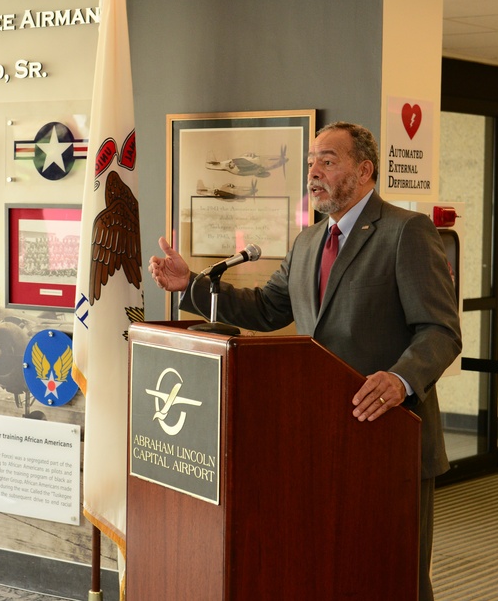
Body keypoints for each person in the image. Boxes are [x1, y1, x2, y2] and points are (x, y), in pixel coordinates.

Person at [149, 121, 461, 601]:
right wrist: (188, 283)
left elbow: (440, 329)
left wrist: (401, 379)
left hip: (388, 438)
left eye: (328, 161)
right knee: (333, 569)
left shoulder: (406, 232)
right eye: (311, 161)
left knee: (395, 577)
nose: (313, 171)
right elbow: (267, 309)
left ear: (364, 171)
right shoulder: (309, 242)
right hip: (320, 443)